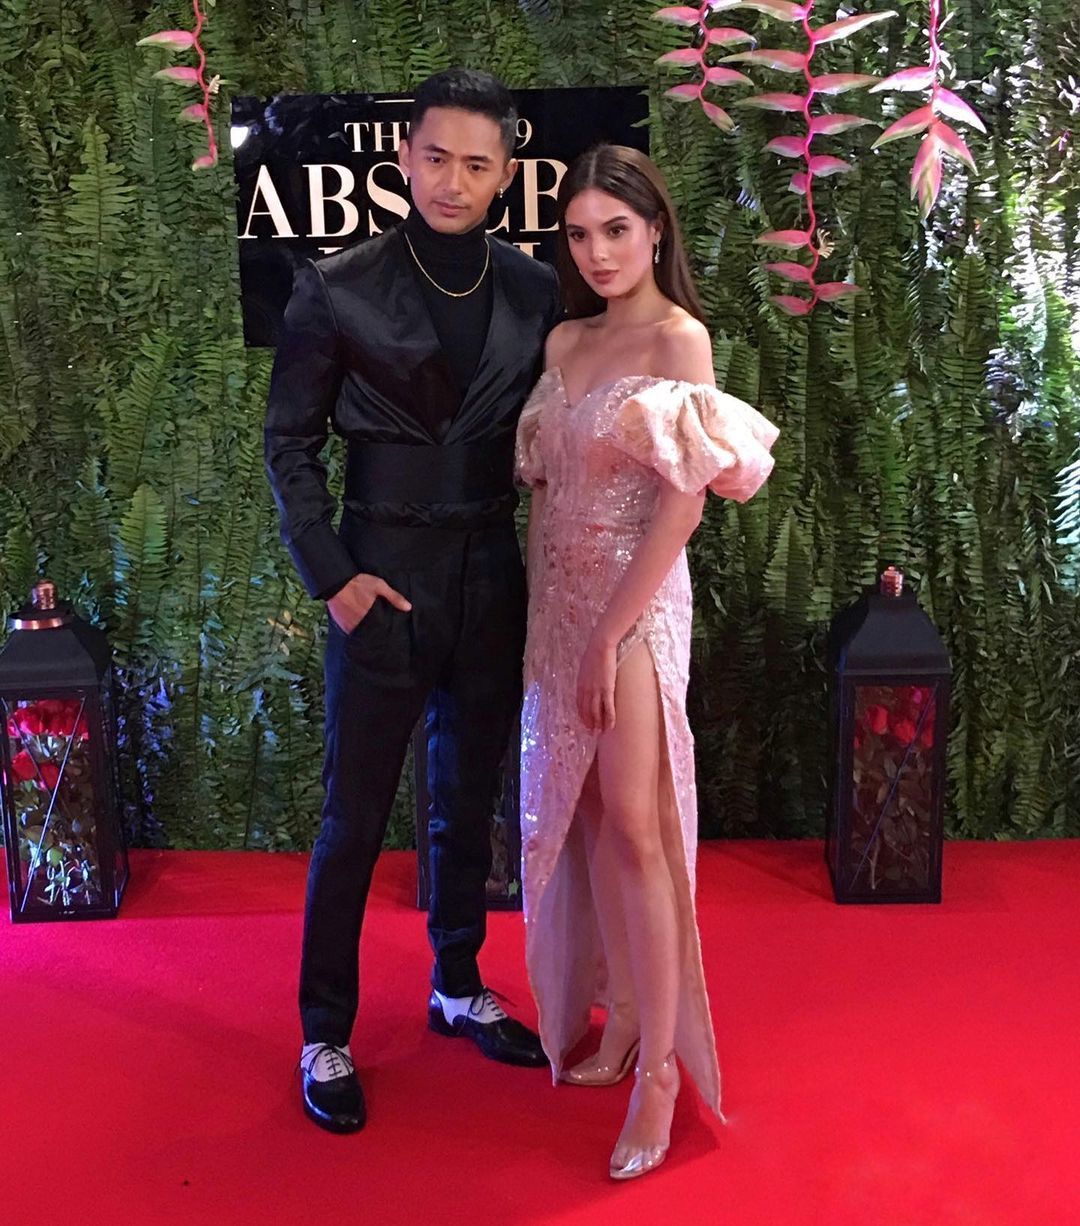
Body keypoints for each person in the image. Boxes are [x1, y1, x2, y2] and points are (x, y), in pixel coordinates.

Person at [265, 68, 560, 1135]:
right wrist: (334, 576)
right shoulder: (336, 286)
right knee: (354, 812)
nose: (453, 180)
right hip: (380, 571)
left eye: (477, 164)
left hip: (490, 568)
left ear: (506, 175)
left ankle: (457, 983)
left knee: (467, 797)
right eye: (436, 157)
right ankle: (324, 1029)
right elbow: (288, 444)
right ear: (404, 157)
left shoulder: (535, 289)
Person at [515, 144, 778, 1179]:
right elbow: (547, 492)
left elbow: (682, 508)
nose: (598, 251)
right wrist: (559, 625)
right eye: (580, 234)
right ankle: (622, 1014)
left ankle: (661, 1071)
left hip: (632, 610)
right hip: (554, 607)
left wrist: (609, 632)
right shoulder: (566, 337)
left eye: (616, 230)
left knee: (636, 828)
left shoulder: (679, 339)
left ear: (656, 229)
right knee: (584, 817)